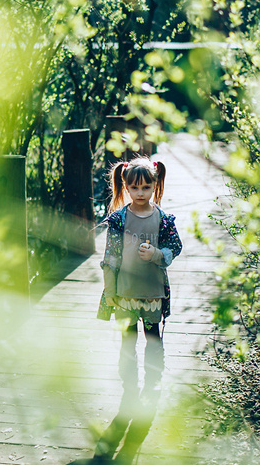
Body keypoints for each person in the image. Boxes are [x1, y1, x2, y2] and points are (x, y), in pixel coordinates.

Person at [93, 155, 182, 463]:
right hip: (126, 294)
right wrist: (111, 290)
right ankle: (129, 384)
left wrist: (158, 253)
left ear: (155, 186)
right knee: (127, 339)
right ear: (126, 186)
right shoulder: (118, 219)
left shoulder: (164, 218)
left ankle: (153, 379)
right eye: (135, 187)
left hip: (153, 292)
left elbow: (176, 248)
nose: (141, 192)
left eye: (146, 187)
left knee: (153, 337)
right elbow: (110, 256)